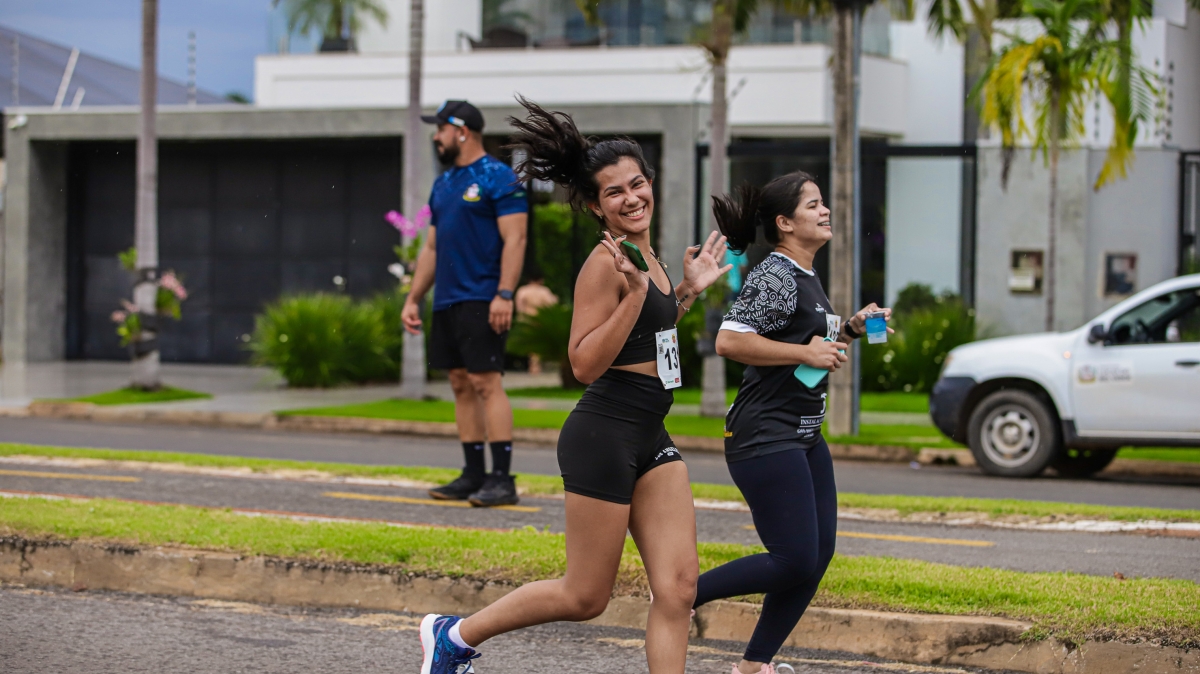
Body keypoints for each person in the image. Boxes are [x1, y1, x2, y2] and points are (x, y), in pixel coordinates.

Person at [418, 97, 732, 674]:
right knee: (585, 596)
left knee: (679, 588)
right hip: (604, 434)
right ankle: (453, 635)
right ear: (595, 205)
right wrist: (635, 297)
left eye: (637, 184)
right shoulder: (604, 264)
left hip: (649, 434)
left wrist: (686, 291)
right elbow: (584, 363)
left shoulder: (646, 258)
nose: (631, 198)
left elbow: (649, 335)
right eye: (614, 192)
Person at [692, 172, 892, 674]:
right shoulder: (775, 274)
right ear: (785, 223)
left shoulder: (804, 274)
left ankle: (753, 666)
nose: (824, 211)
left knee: (817, 556)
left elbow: (807, 351)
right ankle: (681, 595)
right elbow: (729, 341)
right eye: (812, 205)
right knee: (794, 559)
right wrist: (806, 351)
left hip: (803, 435)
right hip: (765, 433)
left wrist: (850, 330)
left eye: (823, 203)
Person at [402, 100, 528, 508]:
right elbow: (432, 247)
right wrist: (414, 298)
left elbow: (516, 239)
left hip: (483, 297)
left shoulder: (499, 177)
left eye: (440, 129)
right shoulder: (443, 184)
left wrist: (504, 293)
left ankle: (502, 479)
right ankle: (473, 473)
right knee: (459, 382)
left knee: (486, 383)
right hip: (447, 299)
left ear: (461, 131)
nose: (436, 137)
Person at [513, 267, 559, 374]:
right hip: (540, 319)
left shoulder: (522, 291)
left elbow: (519, 307)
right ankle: (535, 366)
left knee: (530, 344)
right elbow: (551, 304)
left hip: (526, 319)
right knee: (537, 345)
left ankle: (533, 366)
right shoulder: (544, 291)